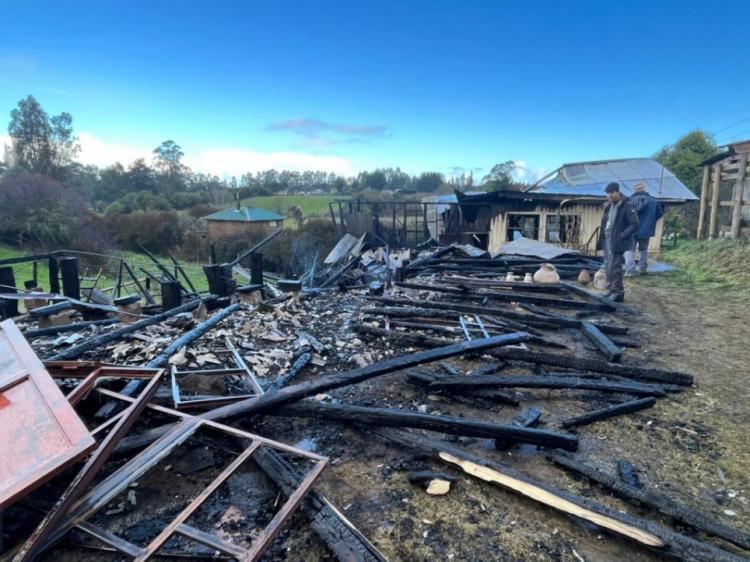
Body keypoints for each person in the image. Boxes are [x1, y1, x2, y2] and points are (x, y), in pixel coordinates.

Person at [597, 182, 639, 302]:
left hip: (617, 241)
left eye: (611, 193)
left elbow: (634, 224)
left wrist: (622, 236)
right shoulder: (609, 206)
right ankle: (611, 290)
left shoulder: (626, 205)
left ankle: (618, 293)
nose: (609, 195)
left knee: (615, 267)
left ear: (617, 192)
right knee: (608, 266)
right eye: (607, 193)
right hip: (607, 239)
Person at [624, 182, 664, 275]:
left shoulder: (628, 202)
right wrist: (650, 221)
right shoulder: (654, 201)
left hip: (631, 230)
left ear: (635, 190)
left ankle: (629, 271)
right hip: (646, 230)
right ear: (644, 189)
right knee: (643, 249)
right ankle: (642, 269)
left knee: (630, 250)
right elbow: (659, 214)